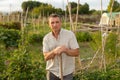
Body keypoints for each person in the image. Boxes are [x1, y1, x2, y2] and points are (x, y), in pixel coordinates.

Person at [42, 13, 79, 80]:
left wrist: (66, 50)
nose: (55, 25)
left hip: (67, 73)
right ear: (49, 25)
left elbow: (76, 52)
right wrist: (54, 51)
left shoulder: (70, 35)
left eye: (57, 22)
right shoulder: (46, 38)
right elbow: (46, 57)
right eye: (52, 23)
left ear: (60, 23)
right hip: (52, 73)